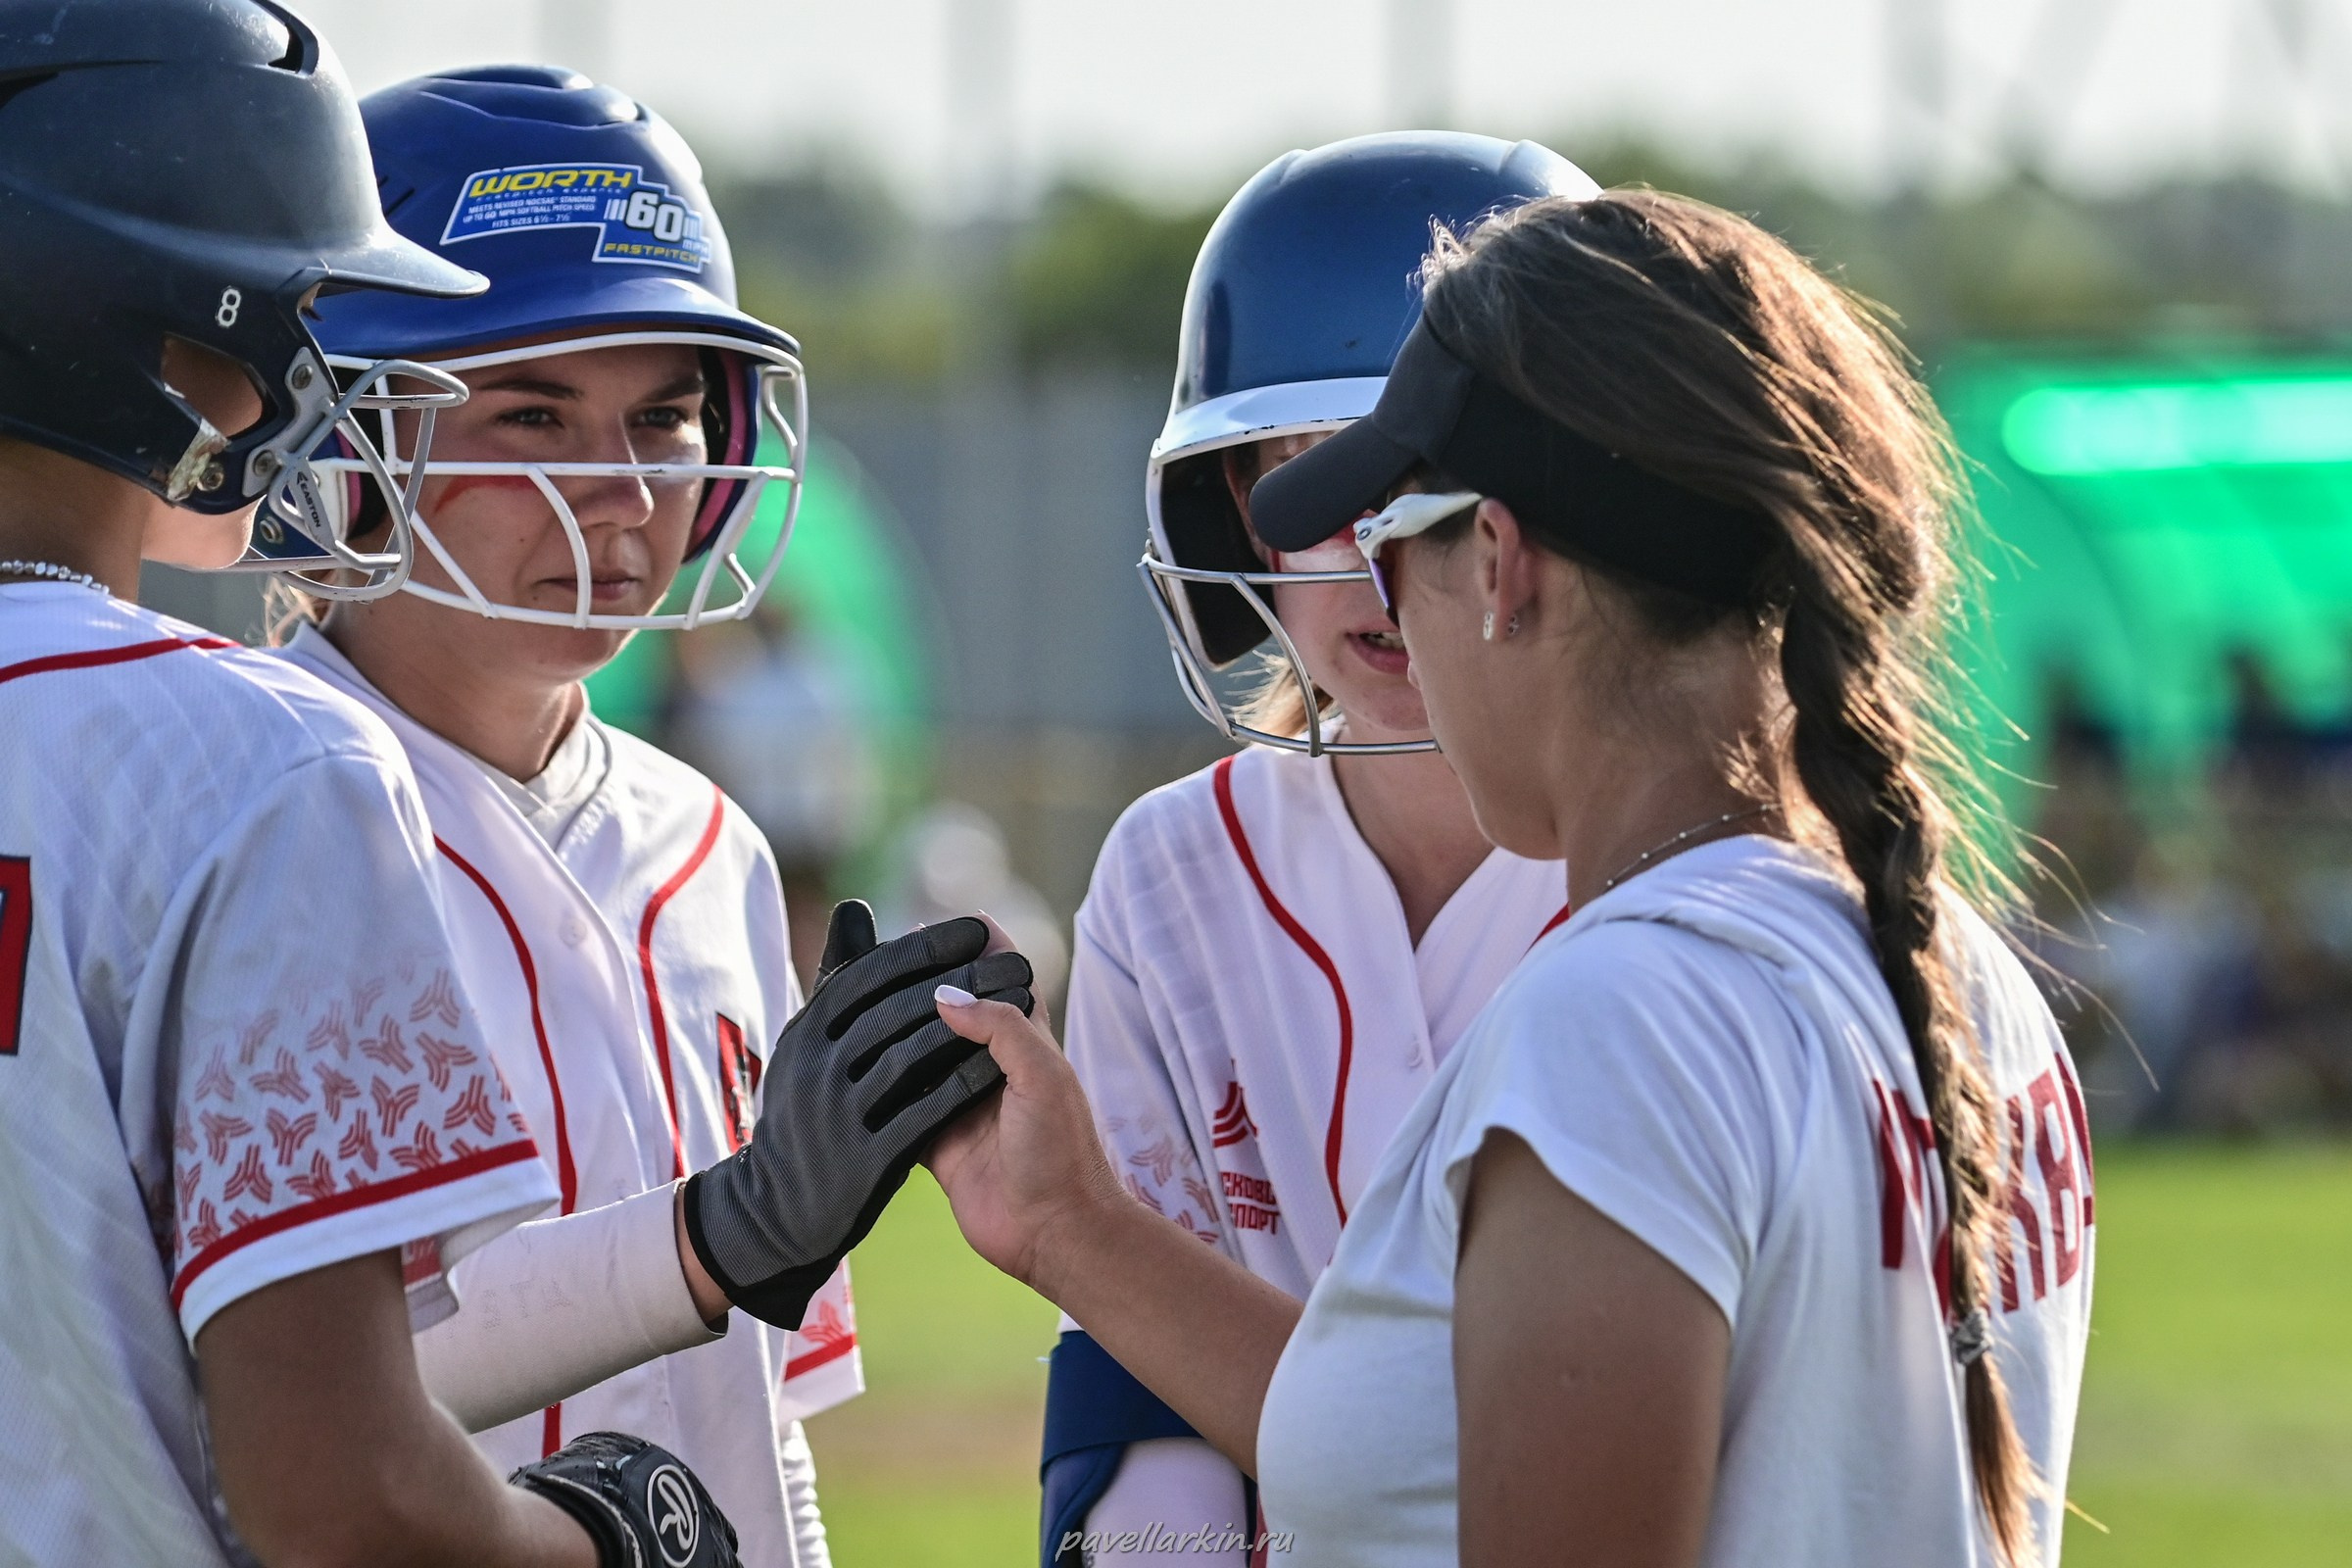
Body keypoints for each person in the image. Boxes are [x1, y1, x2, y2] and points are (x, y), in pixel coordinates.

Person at [929, 187, 2094, 1567]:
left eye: (1394, 539)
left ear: (1498, 563)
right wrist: (1073, 1226)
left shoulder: (1618, 1020)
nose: (1381, 603)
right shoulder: (1957, 973)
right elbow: (1427, 1459)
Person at [0, 7, 745, 1565]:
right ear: (134, 300)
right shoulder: (253, 767)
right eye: (288, 300)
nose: (298, 372)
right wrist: (612, 1544)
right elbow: (343, 1494)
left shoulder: (702, 844)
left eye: (662, 416)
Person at [262, 64, 1033, 1568]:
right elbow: (283, 1405)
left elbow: (763, 1422)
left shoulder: (710, 845)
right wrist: (711, 1238)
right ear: (348, 435)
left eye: (669, 415)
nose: (617, 492)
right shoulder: (247, 815)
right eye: (533, 412)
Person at [1044, 132, 1595, 1566]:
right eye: (1310, 467)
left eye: (1443, 467)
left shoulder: (1680, 873)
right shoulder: (1170, 876)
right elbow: (1139, 1399)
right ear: (1236, 509)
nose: (1378, 543)